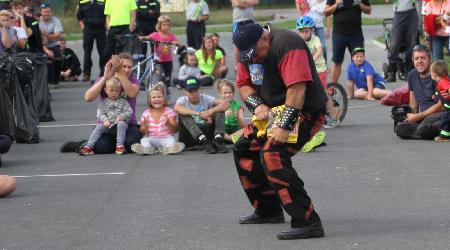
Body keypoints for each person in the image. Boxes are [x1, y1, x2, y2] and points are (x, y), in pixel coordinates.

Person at [232, 22, 328, 240]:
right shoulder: (248, 51)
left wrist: (284, 127)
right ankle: (268, 210)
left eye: (255, 55)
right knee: (244, 148)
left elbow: (297, 89)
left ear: (265, 39)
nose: (253, 60)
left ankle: (308, 221)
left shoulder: (287, 43)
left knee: (272, 154)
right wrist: (257, 105)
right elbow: (243, 85)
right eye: (248, 57)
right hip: (274, 111)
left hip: (305, 111)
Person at [83, 54, 141, 153]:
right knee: (102, 148)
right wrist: (105, 78)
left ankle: (120, 144)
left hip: (127, 124)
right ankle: (86, 145)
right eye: (123, 66)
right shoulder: (105, 80)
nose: (127, 70)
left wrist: (120, 74)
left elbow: (132, 93)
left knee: (131, 144)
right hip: (106, 124)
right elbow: (88, 97)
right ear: (116, 66)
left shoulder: (134, 81)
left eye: (129, 67)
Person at [395, 44, 444, 140]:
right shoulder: (412, 75)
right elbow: (413, 104)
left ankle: (427, 131)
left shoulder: (438, 75)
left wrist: (418, 116)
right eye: (416, 58)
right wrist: (411, 116)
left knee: (428, 127)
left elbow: (441, 105)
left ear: (430, 60)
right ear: (413, 61)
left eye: (423, 58)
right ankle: (428, 133)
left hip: (441, 115)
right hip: (424, 120)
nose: (419, 61)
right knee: (400, 128)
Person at [174, 76, 229, 154]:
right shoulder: (182, 100)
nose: (194, 93)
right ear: (185, 91)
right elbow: (177, 108)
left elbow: (225, 104)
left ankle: (218, 140)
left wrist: (210, 111)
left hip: (206, 135)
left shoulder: (205, 98)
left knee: (220, 110)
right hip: (189, 137)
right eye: (190, 91)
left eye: (196, 90)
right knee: (182, 114)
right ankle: (202, 139)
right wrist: (198, 114)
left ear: (199, 89)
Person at [79, 77, 133, 155]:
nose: (114, 93)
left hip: (119, 126)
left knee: (122, 124)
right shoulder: (104, 103)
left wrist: (122, 116)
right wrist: (105, 120)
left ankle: (120, 146)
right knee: (99, 127)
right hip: (108, 125)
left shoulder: (123, 102)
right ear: (106, 90)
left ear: (120, 91)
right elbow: (100, 113)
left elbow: (129, 111)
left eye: (116, 91)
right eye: (111, 90)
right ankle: (89, 146)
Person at [131, 83, 185, 155]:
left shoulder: (169, 112)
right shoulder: (146, 114)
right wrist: (145, 127)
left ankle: (168, 149)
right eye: (154, 97)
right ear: (149, 100)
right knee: (144, 140)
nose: (157, 99)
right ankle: (148, 149)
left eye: (159, 97)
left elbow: (175, 130)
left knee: (172, 140)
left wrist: (168, 123)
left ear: (164, 99)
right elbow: (142, 132)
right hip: (152, 138)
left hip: (166, 137)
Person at [324, 0, 371, 83]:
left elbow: (369, 10)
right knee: (337, 62)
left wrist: (359, 3)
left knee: (359, 62)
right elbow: (326, 12)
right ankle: (332, 89)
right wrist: (336, 4)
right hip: (339, 34)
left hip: (356, 35)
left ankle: (363, 88)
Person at [139, 15, 180, 95]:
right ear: (159, 26)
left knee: (168, 79)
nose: (166, 27)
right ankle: (160, 94)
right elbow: (147, 37)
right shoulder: (156, 35)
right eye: (164, 25)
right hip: (158, 61)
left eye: (168, 25)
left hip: (168, 62)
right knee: (161, 78)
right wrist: (142, 37)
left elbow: (177, 43)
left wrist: (176, 43)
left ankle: (168, 95)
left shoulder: (171, 36)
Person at [384, 0, 418, 82]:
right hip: (399, 13)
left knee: (412, 43)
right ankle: (392, 72)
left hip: (412, 12)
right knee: (394, 43)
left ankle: (408, 71)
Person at [76, 0, 106, 81]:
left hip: (101, 28)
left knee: (103, 52)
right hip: (88, 28)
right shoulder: (82, 1)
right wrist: (83, 26)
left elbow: (107, 13)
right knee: (87, 52)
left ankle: (103, 72)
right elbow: (79, 15)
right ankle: (86, 73)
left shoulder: (103, 0)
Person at [39, 3, 63, 87]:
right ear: (41, 12)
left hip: (53, 44)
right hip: (40, 45)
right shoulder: (37, 21)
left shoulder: (56, 20)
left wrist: (46, 36)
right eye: (44, 12)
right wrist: (48, 38)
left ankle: (56, 80)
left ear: (51, 12)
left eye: (48, 11)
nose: (46, 13)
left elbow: (58, 36)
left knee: (58, 57)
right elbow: (38, 37)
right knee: (48, 58)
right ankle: (49, 81)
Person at [216, 79, 246, 143]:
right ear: (219, 93)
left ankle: (229, 139)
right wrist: (222, 115)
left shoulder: (238, 106)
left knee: (246, 129)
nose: (227, 95)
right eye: (225, 93)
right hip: (223, 131)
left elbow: (243, 126)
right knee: (217, 131)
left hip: (235, 131)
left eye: (230, 92)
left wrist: (238, 118)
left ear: (233, 93)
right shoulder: (216, 105)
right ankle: (232, 139)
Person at [231, 0, 258, 69]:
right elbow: (238, 4)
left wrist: (243, 1)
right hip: (238, 21)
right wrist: (249, 3)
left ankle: (251, 63)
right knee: (237, 43)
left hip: (250, 20)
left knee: (252, 43)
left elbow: (256, 2)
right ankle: (237, 66)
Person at [429, 60, 450, 142]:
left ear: (434, 74)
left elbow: (448, 88)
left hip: (448, 106)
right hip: (446, 106)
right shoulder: (445, 79)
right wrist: (436, 95)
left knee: (445, 119)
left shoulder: (442, 82)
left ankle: (445, 136)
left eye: (431, 72)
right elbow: (439, 91)